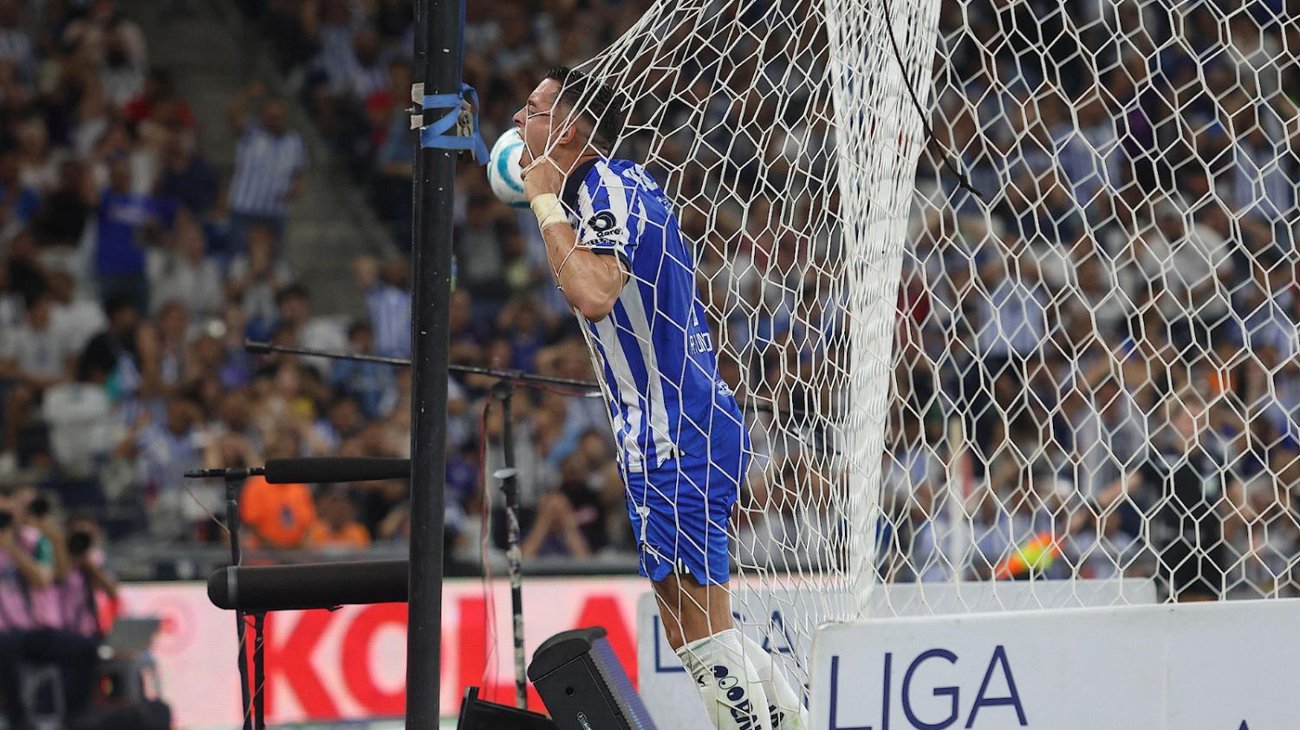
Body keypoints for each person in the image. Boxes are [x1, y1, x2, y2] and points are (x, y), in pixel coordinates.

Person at [515, 67, 805, 730]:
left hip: (680, 427)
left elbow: (593, 291)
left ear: (570, 128)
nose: (514, 122)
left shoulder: (608, 184)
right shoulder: (606, 185)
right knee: (692, 629)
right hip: (666, 426)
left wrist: (542, 202)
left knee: (701, 628)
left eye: (531, 109)